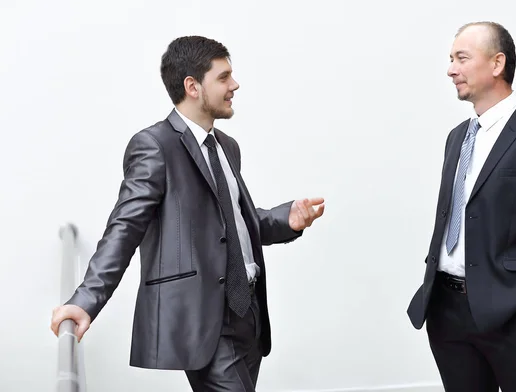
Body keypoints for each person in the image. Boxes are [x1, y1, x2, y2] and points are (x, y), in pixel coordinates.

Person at [50, 35, 325, 391]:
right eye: (224, 77)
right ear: (192, 86)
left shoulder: (227, 147)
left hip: (249, 315)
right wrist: (86, 301)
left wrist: (285, 219)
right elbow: (124, 229)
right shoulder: (154, 146)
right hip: (206, 320)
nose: (235, 84)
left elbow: (232, 224)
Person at [407, 22, 516, 392]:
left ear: (496, 64)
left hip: (514, 318)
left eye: (461, 58)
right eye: (450, 59)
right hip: (448, 315)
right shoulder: (457, 138)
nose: (450, 69)